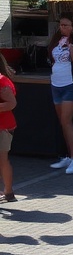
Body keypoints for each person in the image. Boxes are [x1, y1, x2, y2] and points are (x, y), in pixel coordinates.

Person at [46, 13, 73, 174]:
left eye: (66, 25)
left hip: (72, 85)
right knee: (62, 122)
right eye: (61, 25)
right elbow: (52, 59)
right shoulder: (56, 40)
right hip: (56, 84)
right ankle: (68, 156)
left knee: (66, 120)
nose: (63, 28)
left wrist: (71, 45)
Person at [0, 52, 18, 202]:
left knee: (2, 160)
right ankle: (7, 192)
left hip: (3, 127)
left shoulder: (2, 81)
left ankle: (8, 192)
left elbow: (11, 104)